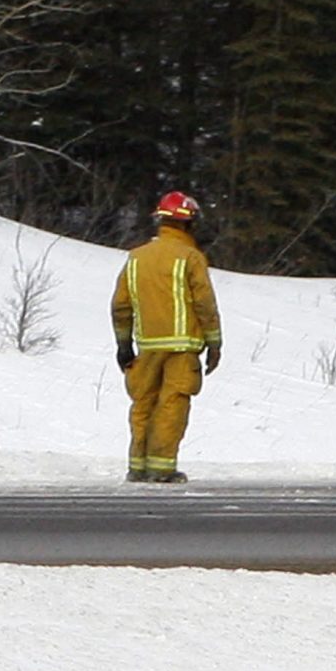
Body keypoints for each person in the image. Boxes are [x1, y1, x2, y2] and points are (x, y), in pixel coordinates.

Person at [110, 190, 222, 483]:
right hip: (182, 348)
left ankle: (137, 467)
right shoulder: (191, 257)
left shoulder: (136, 258)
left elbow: (121, 305)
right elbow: (205, 304)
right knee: (172, 404)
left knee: (143, 404)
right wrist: (214, 343)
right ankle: (161, 468)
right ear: (188, 223)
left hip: (146, 348)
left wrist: (123, 344)